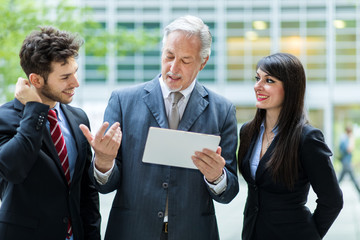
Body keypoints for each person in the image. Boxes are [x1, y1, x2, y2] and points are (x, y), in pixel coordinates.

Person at [81, 15, 239, 240]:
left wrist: (217, 177)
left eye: (185, 60)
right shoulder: (123, 101)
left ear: (203, 62)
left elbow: (230, 191)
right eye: (169, 56)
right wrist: (104, 162)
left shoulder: (222, 110)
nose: (174, 67)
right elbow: (104, 187)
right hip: (131, 231)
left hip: (193, 233)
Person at [0, 26, 102, 240]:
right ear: (36, 80)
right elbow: (13, 170)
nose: (76, 83)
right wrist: (35, 110)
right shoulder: (5, 118)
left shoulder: (79, 118)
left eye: (75, 72)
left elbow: (86, 190)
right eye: (65, 77)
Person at [237, 53, 343, 240]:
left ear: (290, 88)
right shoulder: (248, 131)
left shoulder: (307, 138)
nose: (257, 86)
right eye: (257, 78)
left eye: (269, 80)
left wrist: (309, 234)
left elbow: (332, 200)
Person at [338, 125, 360, 195]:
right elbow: (349, 149)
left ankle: (331, 191)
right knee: (353, 179)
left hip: (347, 162)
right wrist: (351, 139)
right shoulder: (345, 140)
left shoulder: (345, 139)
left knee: (340, 180)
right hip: (346, 163)